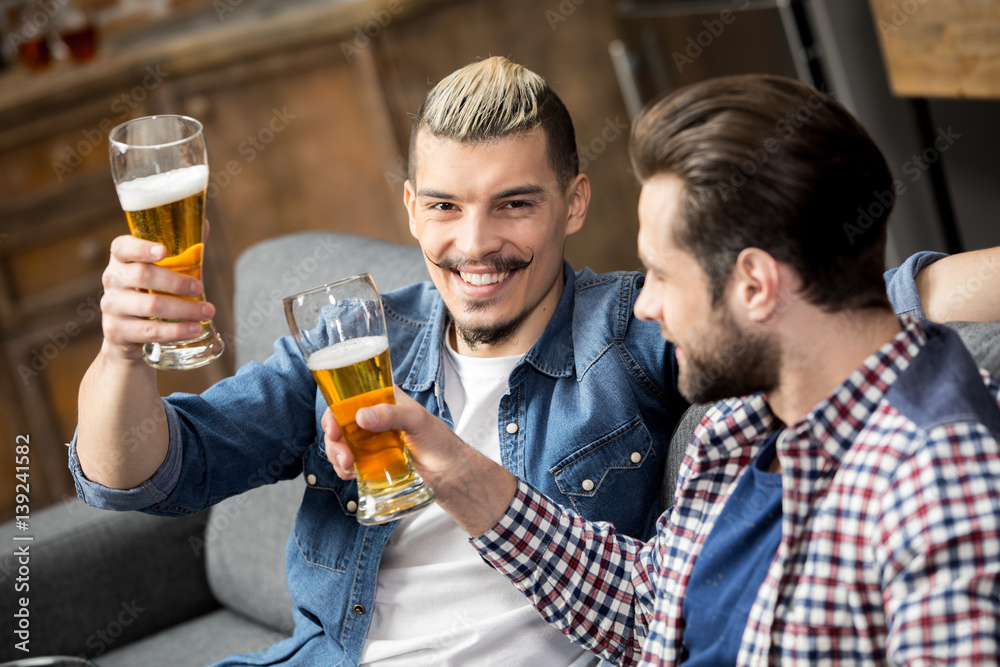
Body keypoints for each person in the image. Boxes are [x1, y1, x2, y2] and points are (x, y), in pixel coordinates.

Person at [72, 58, 991, 666]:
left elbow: (869, 295)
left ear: (573, 201)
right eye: (443, 207)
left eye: (514, 204)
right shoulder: (355, 340)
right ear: (410, 208)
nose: (474, 243)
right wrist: (121, 349)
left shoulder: (641, 334)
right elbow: (146, 477)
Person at [327, 73, 1000, 666]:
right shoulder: (743, 420)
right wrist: (460, 473)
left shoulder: (934, 479)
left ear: (757, 287)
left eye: (662, 275)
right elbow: (651, 606)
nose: (644, 304)